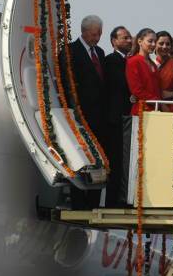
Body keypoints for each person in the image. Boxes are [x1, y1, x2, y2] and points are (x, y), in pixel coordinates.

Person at [59, 14, 107, 209]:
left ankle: (93, 202)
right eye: (94, 34)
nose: (97, 38)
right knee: (80, 159)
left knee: (98, 159)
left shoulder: (101, 53)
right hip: (79, 114)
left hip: (98, 115)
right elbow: (65, 83)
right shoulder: (70, 51)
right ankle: (78, 202)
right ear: (84, 31)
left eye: (99, 34)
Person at [104, 26, 133, 207]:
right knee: (115, 160)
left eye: (130, 37)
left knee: (125, 160)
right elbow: (122, 84)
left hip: (127, 118)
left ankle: (122, 198)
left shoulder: (129, 61)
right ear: (114, 41)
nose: (129, 41)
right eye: (124, 38)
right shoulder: (111, 60)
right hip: (115, 119)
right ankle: (112, 200)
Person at [126, 28, 162, 114]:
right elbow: (137, 90)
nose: (153, 44)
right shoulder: (133, 61)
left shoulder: (153, 64)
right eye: (150, 41)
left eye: (155, 41)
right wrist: (157, 101)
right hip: (141, 110)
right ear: (140, 42)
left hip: (155, 109)